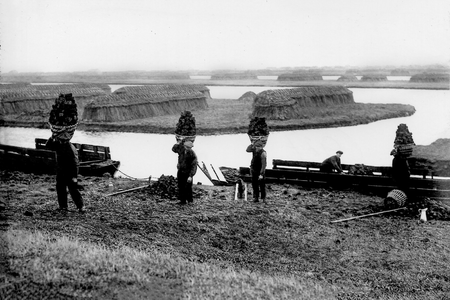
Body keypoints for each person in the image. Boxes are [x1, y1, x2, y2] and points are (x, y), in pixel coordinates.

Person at [53, 139, 85, 213]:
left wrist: (74, 176)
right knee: (60, 189)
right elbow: (48, 145)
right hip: (61, 171)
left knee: (73, 189)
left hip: (69, 172)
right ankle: (63, 207)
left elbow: (75, 162)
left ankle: (81, 206)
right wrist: (52, 137)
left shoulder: (70, 147)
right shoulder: (58, 144)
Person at [172, 139, 198, 205]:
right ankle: (182, 201)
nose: (187, 149)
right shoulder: (181, 150)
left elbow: (194, 166)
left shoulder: (192, 154)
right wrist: (177, 143)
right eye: (186, 147)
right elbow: (174, 149)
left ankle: (190, 201)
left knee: (188, 187)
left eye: (189, 148)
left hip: (188, 172)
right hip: (180, 170)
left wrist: (190, 176)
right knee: (180, 186)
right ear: (184, 146)